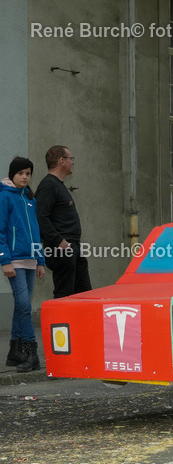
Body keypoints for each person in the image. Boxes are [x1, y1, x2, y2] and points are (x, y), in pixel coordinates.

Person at [1, 157, 47, 371]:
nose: (25, 177)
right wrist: (4, 260)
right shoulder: (4, 197)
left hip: (30, 261)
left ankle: (14, 352)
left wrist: (40, 260)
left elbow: (36, 231)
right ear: (12, 175)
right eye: (21, 173)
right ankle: (31, 353)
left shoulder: (30, 198)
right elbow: (1, 231)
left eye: (28, 173)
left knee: (21, 307)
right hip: (15, 261)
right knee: (24, 306)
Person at [35, 145, 91, 299]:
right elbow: (41, 217)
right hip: (61, 248)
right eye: (70, 158)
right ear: (61, 161)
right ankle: (61, 322)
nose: (73, 162)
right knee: (65, 293)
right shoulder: (49, 185)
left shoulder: (59, 185)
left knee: (83, 292)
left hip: (72, 247)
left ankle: (80, 323)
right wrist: (59, 241)